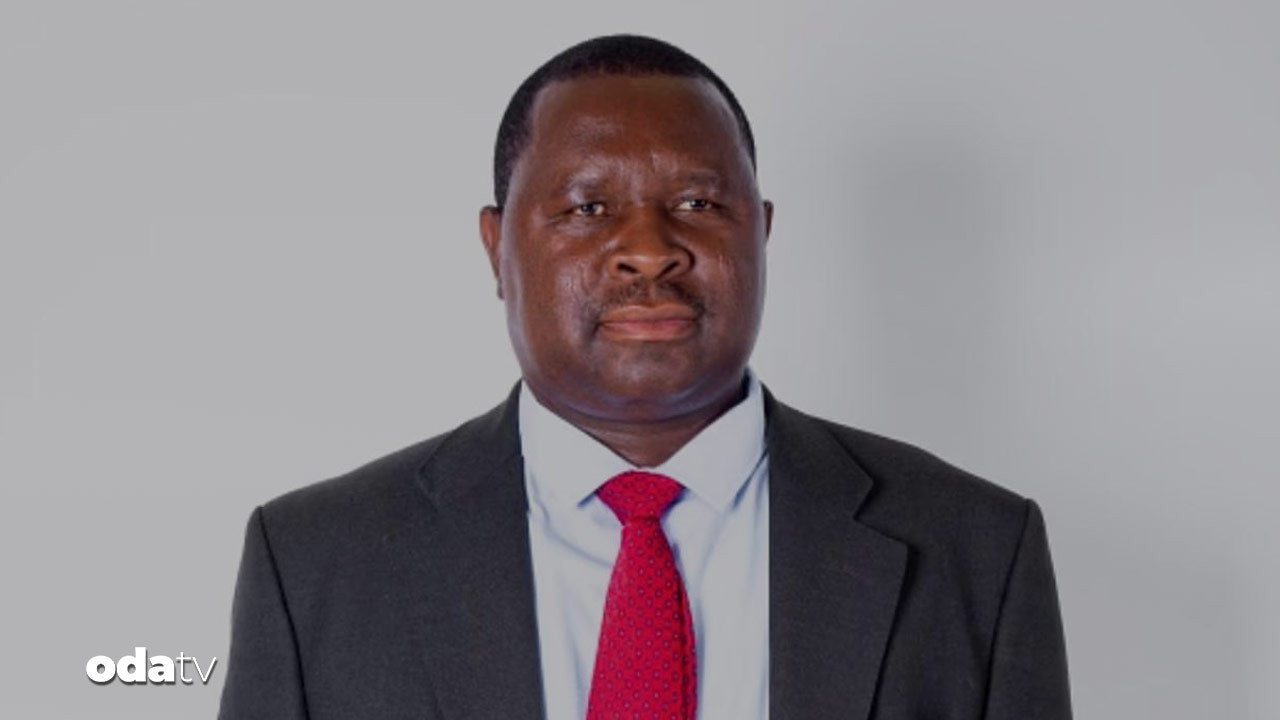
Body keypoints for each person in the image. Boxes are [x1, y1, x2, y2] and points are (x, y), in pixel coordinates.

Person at [218, 34, 1072, 720]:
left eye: (698, 205)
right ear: (497, 247)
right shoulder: (316, 563)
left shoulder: (975, 550)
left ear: (761, 234)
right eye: (588, 207)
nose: (649, 250)